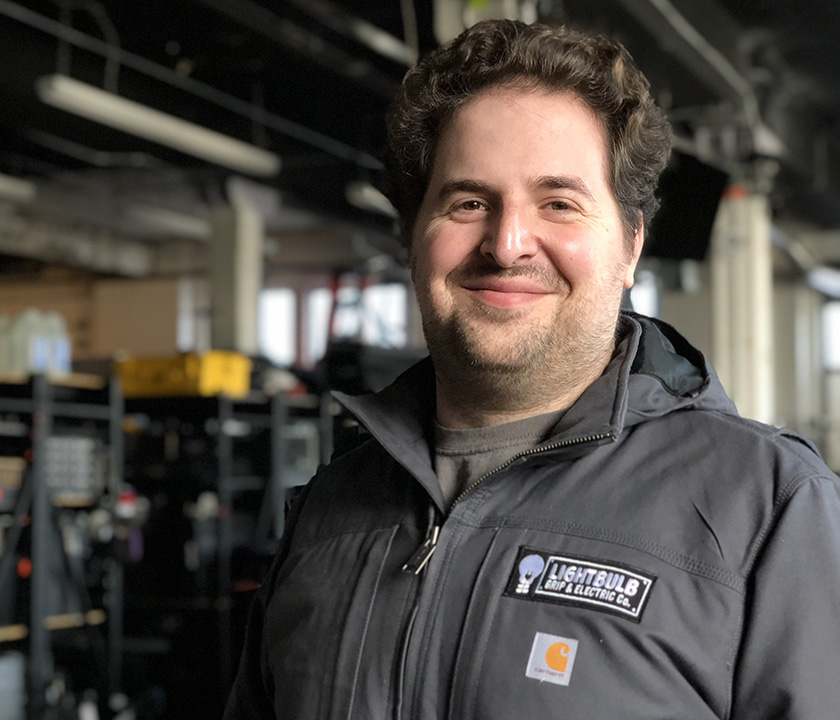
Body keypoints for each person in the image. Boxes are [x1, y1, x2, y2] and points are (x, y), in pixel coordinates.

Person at [225, 18, 840, 720]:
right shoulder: (331, 507)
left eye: (558, 203)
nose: (508, 243)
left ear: (631, 245)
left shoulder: (769, 510)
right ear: (411, 239)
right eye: (468, 202)